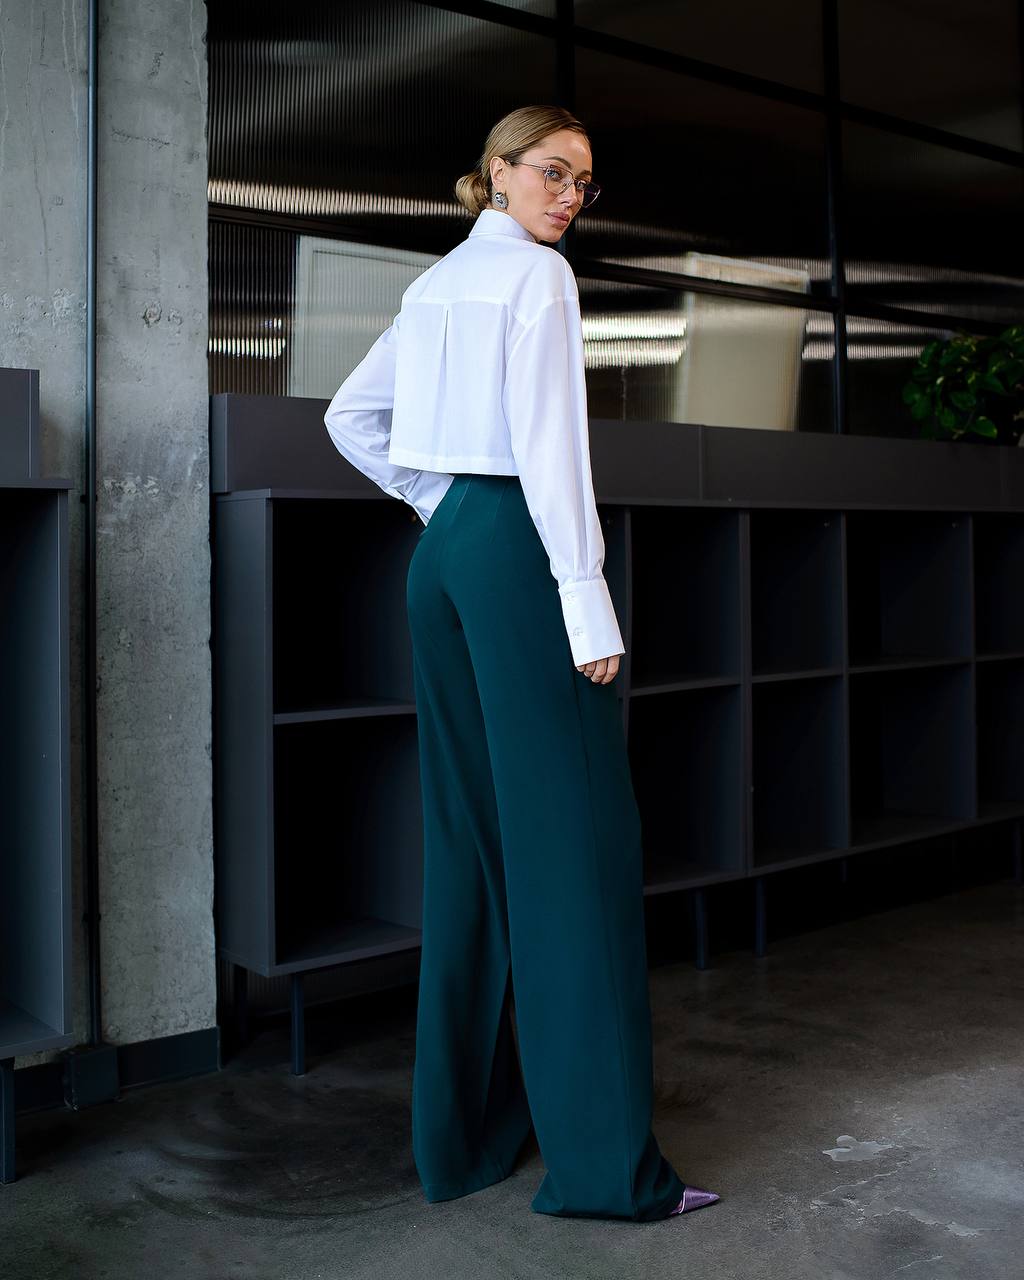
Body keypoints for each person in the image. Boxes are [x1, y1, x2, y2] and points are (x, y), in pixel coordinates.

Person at [324, 104, 720, 1222]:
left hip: (445, 560)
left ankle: (466, 1142)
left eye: (583, 182)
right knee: (577, 852)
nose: (568, 196)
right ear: (497, 172)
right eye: (552, 171)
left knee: (474, 843)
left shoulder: (436, 283)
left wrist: (438, 504)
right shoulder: (537, 278)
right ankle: (606, 1174)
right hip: (517, 558)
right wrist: (585, 603)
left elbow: (350, 418)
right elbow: (553, 452)